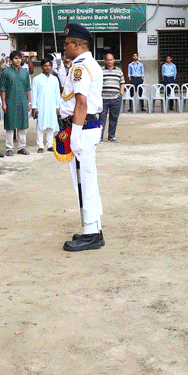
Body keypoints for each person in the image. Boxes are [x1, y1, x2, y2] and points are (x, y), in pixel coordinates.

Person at [58, 23, 105, 251]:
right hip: (87, 126)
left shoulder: (80, 66)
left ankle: (91, 233)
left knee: (84, 181)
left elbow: (81, 102)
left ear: (77, 45)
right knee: (88, 179)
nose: (64, 48)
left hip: (82, 128)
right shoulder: (89, 63)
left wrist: (74, 134)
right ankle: (94, 227)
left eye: (67, 44)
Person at [0, 50, 31, 155]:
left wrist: (29, 102)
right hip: (10, 102)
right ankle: (9, 148)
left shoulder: (24, 72)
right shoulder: (6, 72)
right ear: (11, 59)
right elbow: (3, 89)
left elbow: (28, 88)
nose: (18, 60)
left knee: (22, 125)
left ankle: (21, 147)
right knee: (10, 125)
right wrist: (4, 103)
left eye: (20, 58)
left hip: (22, 102)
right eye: (16, 58)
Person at [31, 57, 59, 152]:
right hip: (41, 105)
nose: (47, 67)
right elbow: (34, 94)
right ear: (42, 67)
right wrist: (34, 107)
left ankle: (49, 145)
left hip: (52, 105)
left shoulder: (55, 79)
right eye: (45, 66)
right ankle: (40, 146)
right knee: (40, 126)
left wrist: (57, 106)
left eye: (49, 66)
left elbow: (57, 94)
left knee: (51, 125)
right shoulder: (36, 79)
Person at [100, 53, 125, 143]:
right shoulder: (100, 70)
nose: (109, 61)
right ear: (105, 61)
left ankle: (111, 136)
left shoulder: (119, 71)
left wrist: (120, 94)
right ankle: (100, 137)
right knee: (102, 118)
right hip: (103, 98)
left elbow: (122, 83)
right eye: (107, 59)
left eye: (111, 59)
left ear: (114, 60)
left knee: (114, 118)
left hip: (116, 98)